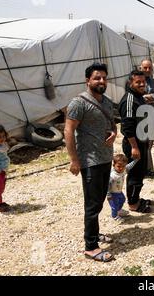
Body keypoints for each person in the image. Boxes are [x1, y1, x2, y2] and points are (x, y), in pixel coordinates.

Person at [64, 62, 117, 263]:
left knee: (100, 199)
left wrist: (114, 132)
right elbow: (68, 130)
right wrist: (74, 160)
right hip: (90, 161)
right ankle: (91, 246)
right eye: (97, 77)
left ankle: (94, 233)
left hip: (106, 158)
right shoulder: (78, 103)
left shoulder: (107, 101)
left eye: (104, 77)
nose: (101, 81)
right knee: (92, 204)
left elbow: (112, 123)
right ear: (88, 81)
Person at [118, 69, 153, 213]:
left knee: (140, 172)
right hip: (134, 144)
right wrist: (134, 147)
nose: (141, 84)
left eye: (143, 82)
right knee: (134, 174)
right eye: (137, 82)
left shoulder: (139, 96)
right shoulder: (129, 100)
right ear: (130, 83)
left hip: (141, 142)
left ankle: (136, 198)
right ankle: (133, 204)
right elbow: (127, 127)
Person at [140, 59, 154, 177]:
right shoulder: (135, 81)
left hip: (152, 114)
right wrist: (145, 98)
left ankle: (148, 168)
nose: (147, 70)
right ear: (141, 68)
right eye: (145, 68)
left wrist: (150, 96)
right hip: (140, 115)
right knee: (141, 140)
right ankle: (141, 169)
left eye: (149, 68)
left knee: (150, 140)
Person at [107, 154, 138, 223]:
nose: (121, 168)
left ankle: (119, 210)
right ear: (114, 165)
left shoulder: (123, 170)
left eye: (123, 166)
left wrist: (136, 160)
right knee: (114, 206)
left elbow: (129, 166)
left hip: (119, 192)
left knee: (122, 199)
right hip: (112, 193)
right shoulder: (113, 176)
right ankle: (114, 216)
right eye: (118, 166)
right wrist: (108, 195)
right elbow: (107, 185)